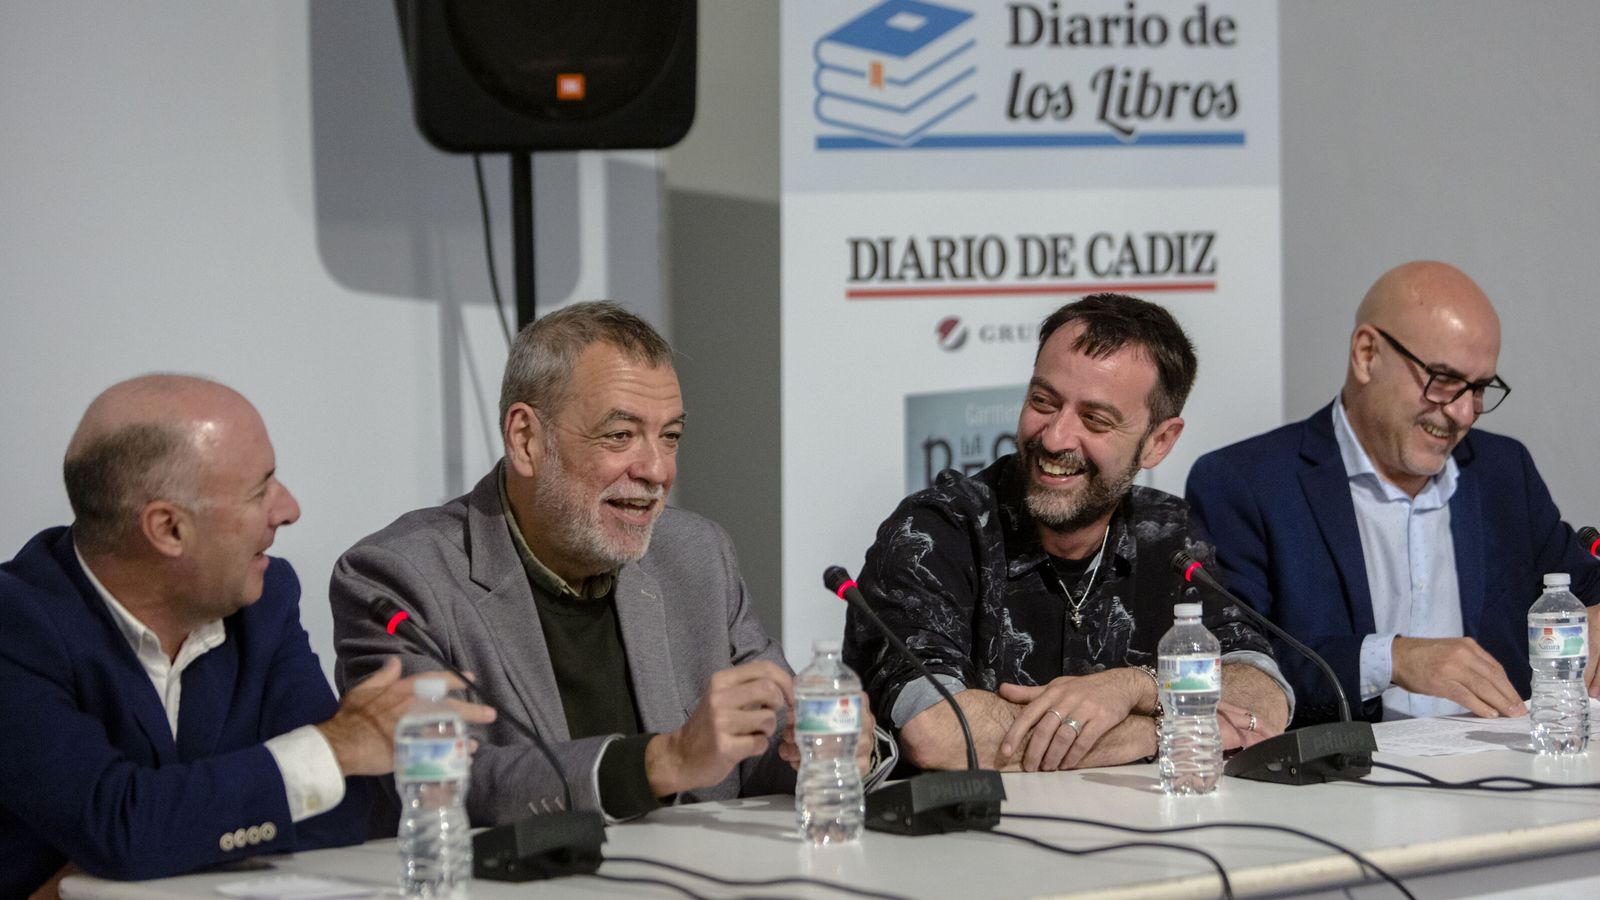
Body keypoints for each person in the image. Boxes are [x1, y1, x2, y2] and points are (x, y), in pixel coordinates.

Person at [331, 301, 879, 826]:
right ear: (526, 440)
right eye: (621, 436)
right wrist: (661, 761)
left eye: (670, 437)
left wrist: (822, 748)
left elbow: (757, 749)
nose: (658, 470)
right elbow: (444, 780)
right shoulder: (400, 578)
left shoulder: (697, 555)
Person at [0, 375, 493, 899]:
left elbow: (342, 811)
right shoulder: (17, 623)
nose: (289, 509)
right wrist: (333, 747)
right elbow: (119, 823)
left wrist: (148, 843)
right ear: (168, 529)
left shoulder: (264, 602)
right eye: (260, 490)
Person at [843, 294, 1292, 774]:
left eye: (1095, 419)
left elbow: (1263, 698)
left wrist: (1136, 687)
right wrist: (1165, 729)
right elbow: (939, 734)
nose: (1055, 437)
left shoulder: (1171, 536)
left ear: (1159, 441)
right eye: (1043, 401)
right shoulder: (935, 533)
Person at [1187, 261, 1600, 725]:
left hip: (1502, 771)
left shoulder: (1504, 471)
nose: (1463, 413)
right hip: (1338, 787)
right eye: (1442, 380)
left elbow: (1580, 585)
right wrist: (1392, 660)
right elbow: (1230, 665)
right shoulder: (1247, 482)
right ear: (1366, 354)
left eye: (1480, 388)